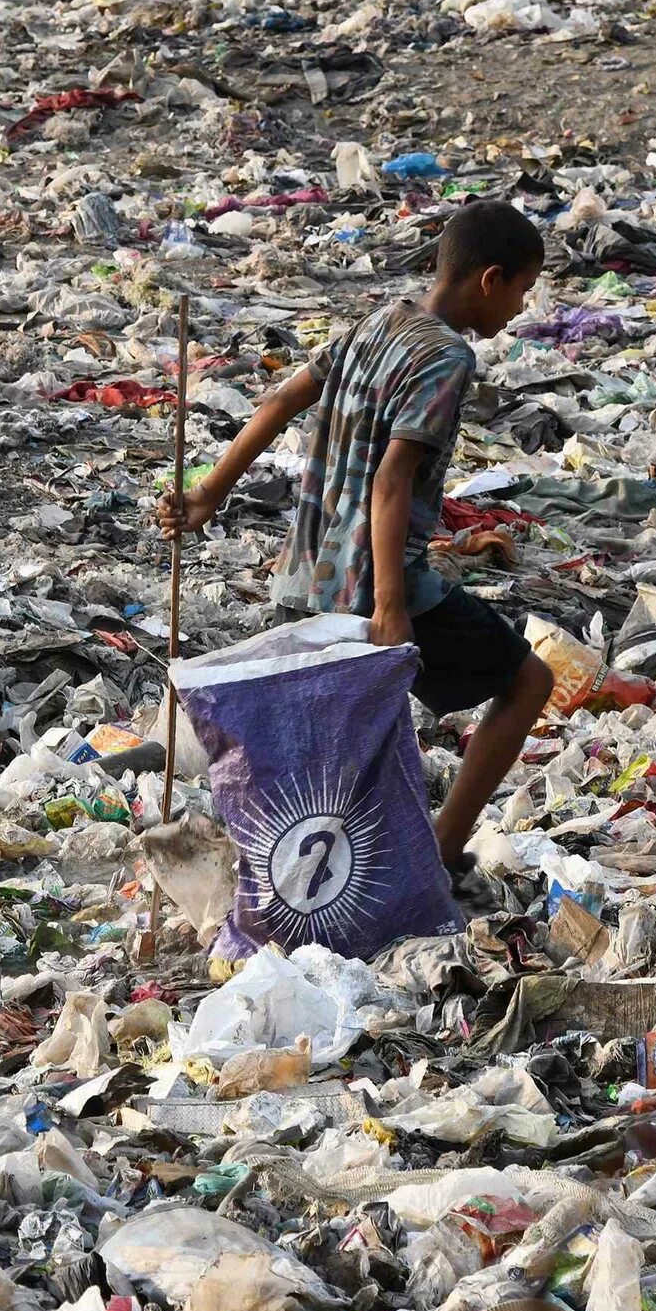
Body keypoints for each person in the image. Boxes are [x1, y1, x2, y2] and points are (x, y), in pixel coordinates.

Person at [158, 198, 553, 878]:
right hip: (375, 586)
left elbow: (281, 401)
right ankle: (440, 850)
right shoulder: (445, 357)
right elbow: (393, 479)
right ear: (490, 279)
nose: (520, 308)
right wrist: (393, 606)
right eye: (522, 289)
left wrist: (208, 493)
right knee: (527, 681)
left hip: (303, 578)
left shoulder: (376, 324)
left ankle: (297, 885)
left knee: (319, 758)